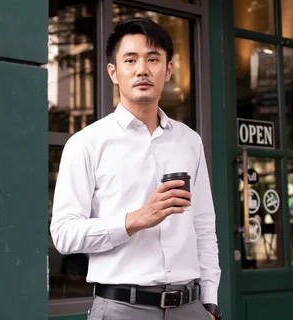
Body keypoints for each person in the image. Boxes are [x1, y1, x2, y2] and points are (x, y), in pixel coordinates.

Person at [49, 17, 222, 320]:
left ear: (168, 69)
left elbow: (204, 227)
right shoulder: (87, 143)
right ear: (113, 73)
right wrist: (135, 220)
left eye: (153, 59)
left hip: (190, 309)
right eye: (130, 60)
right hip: (121, 309)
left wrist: (209, 303)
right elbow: (64, 234)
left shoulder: (188, 141)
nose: (142, 69)